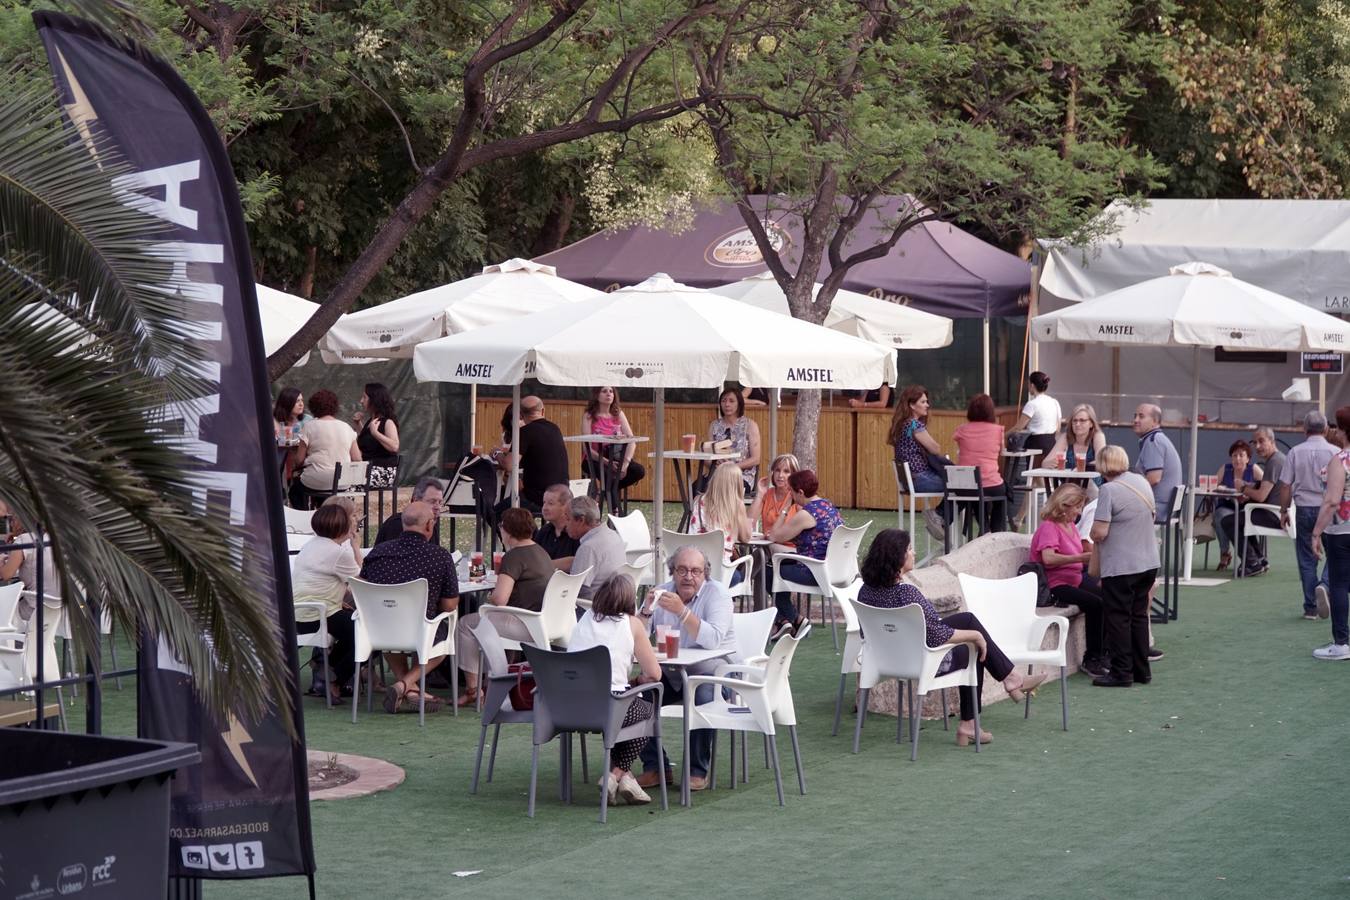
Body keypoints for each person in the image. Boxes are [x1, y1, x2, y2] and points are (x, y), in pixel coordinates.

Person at [857, 529, 1044, 746]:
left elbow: (867, 633)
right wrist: (975, 636)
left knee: (967, 619)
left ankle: (1010, 679)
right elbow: (936, 637)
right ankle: (974, 718)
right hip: (923, 662)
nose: (914, 552)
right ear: (897, 557)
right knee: (974, 648)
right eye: (909, 549)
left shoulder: (865, 592)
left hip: (885, 660)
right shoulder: (907, 594)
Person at [636, 546, 739, 791]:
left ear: (705, 575)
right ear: (673, 572)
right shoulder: (662, 592)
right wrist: (647, 609)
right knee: (635, 696)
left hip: (716, 675)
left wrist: (682, 612)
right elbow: (636, 634)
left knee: (703, 693)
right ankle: (655, 766)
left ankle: (697, 770)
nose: (688, 576)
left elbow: (712, 639)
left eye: (695, 571)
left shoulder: (717, 595)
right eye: (682, 570)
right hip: (673, 674)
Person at [568, 574, 663, 805]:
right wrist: (638, 680)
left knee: (627, 703)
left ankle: (626, 778)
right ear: (630, 601)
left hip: (571, 706)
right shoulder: (632, 624)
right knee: (648, 710)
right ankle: (615, 775)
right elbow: (655, 674)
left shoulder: (585, 619)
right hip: (610, 706)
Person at [357, 501, 459, 712]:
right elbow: (449, 606)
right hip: (422, 630)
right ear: (430, 526)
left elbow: (362, 586)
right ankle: (405, 686)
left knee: (391, 630)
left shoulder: (377, 553)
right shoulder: (440, 556)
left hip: (381, 631)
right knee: (445, 633)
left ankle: (406, 688)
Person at [453, 508, 558, 707]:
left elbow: (500, 599)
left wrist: (489, 598)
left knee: (466, 624)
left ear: (507, 531)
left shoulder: (515, 556)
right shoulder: (540, 551)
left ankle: (473, 689)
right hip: (543, 621)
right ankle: (487, 682)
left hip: (524, 623)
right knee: (480, 621)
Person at [1090, 446, 1160, 687]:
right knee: (1139, 615)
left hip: (1122, 565)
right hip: (1148, 561)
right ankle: (1142, 670)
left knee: (1118, 618)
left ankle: (1122, 672)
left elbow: (1100, 531)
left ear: (1101, 465)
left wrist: (1091, 531)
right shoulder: (1140, 481)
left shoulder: (1108, 490)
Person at [1029, 484, 1108, 677]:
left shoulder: (1070, 525)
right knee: (1095, 604)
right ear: (1065, 506)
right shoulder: (1049, 527)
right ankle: (1091, 658)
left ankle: (1105, 652)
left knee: (1109, 596)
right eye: (1077, 507)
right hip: (1056, 585)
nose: (1079, 512)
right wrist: (1080, 558)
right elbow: (1048, 558)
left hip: (1075, 578)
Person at [291, 503, 363, 703]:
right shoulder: (338, 552)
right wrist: (356, 545)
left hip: (299, 613)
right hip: (320, 615)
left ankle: (326, 667)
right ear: (343, 527)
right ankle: (334, 677)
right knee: (370, 633)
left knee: (353, 631)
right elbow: (362, 582)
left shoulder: (310, 546)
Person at [768, 469, 843, 638]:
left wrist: (786, 508)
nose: (791, 496)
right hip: (831, 568)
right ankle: (786, 621)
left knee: (769, 572)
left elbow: (774, 536)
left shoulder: (806, 514)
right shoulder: (828, 505)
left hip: (814, 571)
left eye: (792, 492)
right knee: (778, 565)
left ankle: (792, 620)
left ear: (800, 492)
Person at [1278, 411, 1335, 620]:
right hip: (1329, 509)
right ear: (1326, 429)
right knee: (1335, 554)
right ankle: (1326, 584)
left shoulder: (1294, 452)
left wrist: (1284, 511)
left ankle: (1311, 607)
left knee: (1306, 557)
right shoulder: (1335, 452)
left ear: (1304, 430)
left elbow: (1285, 485)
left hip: (1303, 509)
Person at [1311, 405, 1350, 660]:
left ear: (1342, 430)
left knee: (1339, 585)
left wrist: (1316, 532)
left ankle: (1341, 643)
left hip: (1342, 531)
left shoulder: (1340, 460)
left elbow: (1332, 500)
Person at [888, 384, 947, 539]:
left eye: (926, 401)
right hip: (920, 478)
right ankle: (938, 516)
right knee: (959, 485)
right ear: (912, 405)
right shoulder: (914, 424)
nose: (927, 405)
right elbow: (936, 448)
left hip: (909, 480)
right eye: (923, 402)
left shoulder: (902, 425)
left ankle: (940, 519)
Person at [495, 396, 568, 515]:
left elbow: (509, 465)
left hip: (538, 497)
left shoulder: (525, 432)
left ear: (521, 415)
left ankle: (530, 534)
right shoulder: (555, 428)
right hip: (562, 493)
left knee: (496, 512)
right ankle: (532, 533)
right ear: (543, 411)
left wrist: (496, 453)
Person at [1229, 426, 1285, 577]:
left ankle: (1252, 563)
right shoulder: (1277, 459)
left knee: (1229, 521)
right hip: (1276, 511)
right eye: (1255, 442)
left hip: (1275, 515)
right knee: (1242, 517)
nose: (1258, 446)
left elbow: (1260, 496)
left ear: (1272, 441)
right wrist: (1251, 487)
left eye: (1261, 441)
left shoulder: (1274, 462)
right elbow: (1267, 488)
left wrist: (1242, 488)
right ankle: (1259, 558)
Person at [581, 386, 645, 513]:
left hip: (617, 456)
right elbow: (586, 446)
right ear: (596, 395)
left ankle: (603, 493)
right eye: (604, 391)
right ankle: (616, 511)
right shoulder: (589, 415)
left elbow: (631, 441)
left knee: (639, 471)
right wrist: (606, 462)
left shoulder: (618, 413)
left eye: (611, 391)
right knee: (608, 475)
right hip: (594, 458)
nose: (609, 394)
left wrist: (625, 464)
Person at [295, 389, 361, 508]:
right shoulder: (346, 427)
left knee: (295, 489)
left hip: (316, 480)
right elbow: (357, 459)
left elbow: (299, 460)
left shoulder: (309, 427)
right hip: (342, 482)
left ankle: (305, 519)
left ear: (313, 407)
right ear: (335, 407)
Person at [952, 393, 1008, 532]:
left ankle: (984, 526)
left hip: (968, 484)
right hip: (991, 483)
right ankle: (996, 531)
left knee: (976, 491)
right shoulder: (998, 430)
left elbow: (959, 451)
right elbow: (1002, 452)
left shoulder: (961, 429)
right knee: (1002, 493)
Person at [689, 460, 752, 579]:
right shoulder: (736, 505)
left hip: (693, 568)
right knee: (741, 575)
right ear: (737, 484)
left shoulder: (698, 500)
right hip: (721, 572)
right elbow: (746, 537)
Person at [1211, 439, 1261, 572]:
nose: (1237, 459)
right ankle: (1225, 553)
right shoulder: (1225, 468)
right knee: (1220, 516)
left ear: (1248, 458)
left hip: (1246, 508)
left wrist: (1250, 495)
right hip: (1227, 506)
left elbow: (1264, 489)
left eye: (1241, 455)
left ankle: (1252, 557)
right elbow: (1212, 487)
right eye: (1234, 455)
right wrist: (1221, 489)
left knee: (1240, 521)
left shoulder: (1254, 469)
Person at [567, 496, 627, 599]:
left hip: (595, 608)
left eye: (568, 519)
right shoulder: (613, 535)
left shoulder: (589, 547)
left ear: (581, 520)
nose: (566, 524)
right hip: (617, 601)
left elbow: (575, 590)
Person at [1132, 403, 1183, 522]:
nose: (1135, 420)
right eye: (1135, 416)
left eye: (1141, 416)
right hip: (1164, 506)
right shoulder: (1156, 439)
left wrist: (1131, 489)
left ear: (1154, 421)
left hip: (1158, 508)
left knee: (1116, 512)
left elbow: (1154, 479)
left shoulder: (1153, 441)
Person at [708, 387, 761, 495]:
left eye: (731, 401)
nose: (727, 404)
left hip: (740, 476)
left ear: (739, 404)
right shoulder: (714, 425)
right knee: (695, 487)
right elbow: (707, 456)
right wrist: (714, 464)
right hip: (717, 475)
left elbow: (756, 459)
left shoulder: (750, 425)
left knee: (724, 489)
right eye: (724, 401)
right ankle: (698, 512)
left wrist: (732, 467)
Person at [352, 382, 400, 489]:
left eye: (364, 397)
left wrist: (376, 433)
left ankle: (343, 506)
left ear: (374, 399)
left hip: (384, 472)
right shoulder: (371, 421)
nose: (361, 401)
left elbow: (394, 446)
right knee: (341, 479)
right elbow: (367, 441)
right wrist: (358, 424)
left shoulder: (388, 422)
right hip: (368, 469)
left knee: (346, 484)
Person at [1046, 403, 1107, 487]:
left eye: (1082, 420)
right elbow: (1045, 462)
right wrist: (1051, 463)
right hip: (1069, 487)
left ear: (1091, 424)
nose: (1077, 424)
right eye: (1075, 420)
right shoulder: (1065, 437)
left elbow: (1100, 462)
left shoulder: (1097, 436)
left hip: (1093, 486)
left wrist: (1081, 468)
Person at [748, 453, 801, 549]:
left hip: (791, 549)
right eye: (777, 470)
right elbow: (749, 523)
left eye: (786, 471)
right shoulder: (767, 494)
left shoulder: (797, 496)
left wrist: (775, 536)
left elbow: (801, 531)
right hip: (768, 546)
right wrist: (760, 494)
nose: (780, 475)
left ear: (794, 475)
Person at [373, 476, 443, 546]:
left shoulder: (430, 524)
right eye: (432, 501)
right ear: (416, 500)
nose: (437, 507)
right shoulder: (398, 524)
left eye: (440, 502)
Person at [1013, 371, 1062, 459]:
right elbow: (1058, 428)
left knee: (1031, 472)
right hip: (1052, 444)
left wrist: (1003, 435)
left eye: (1028, 384)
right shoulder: (1054, 402)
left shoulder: (1032, 404)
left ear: (1032, 385)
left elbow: (1018, 428)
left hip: (1035, 445)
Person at [534, 483, 579, 566]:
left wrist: (543, 566)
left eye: (550, 503)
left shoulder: (577, 532)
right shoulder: (544, 531)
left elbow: (579, 561)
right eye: (544, 502)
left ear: (566, 505)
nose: (545, 508)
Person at [273, 387, 306, 491]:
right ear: (287, 403)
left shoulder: (305, 420)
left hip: (297, 470)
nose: (301, 404)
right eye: (297, 401)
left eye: (302, 400)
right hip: (275, 469)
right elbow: (281, 442)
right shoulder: (275, 421)